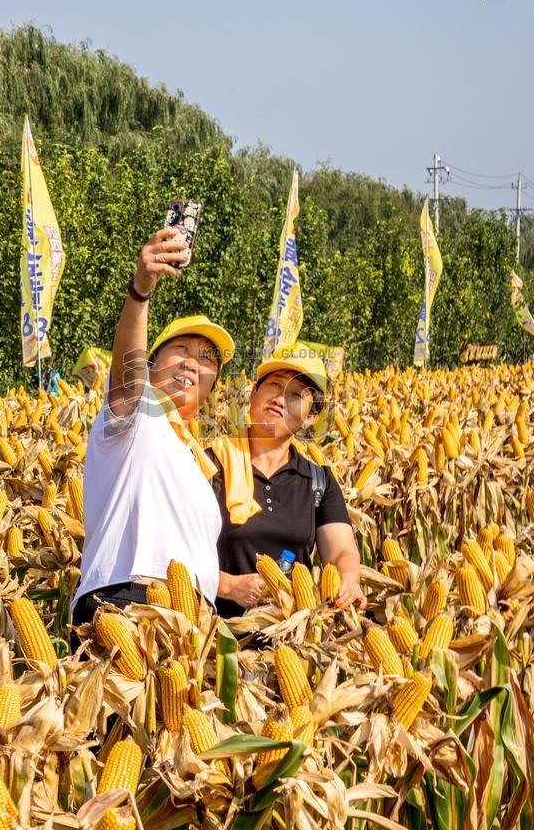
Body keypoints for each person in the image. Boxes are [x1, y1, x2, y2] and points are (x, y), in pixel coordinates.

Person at [71, 225, 234, 626]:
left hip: (193, 621)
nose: (193, 362)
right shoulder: (138, 410)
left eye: (206, 358)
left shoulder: (198, 459)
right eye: (181, 349)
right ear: (151, 362)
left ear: (213, 382)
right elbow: (126, 375)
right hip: (125, 600)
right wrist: (140, 292)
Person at [207, 343, 366, 618]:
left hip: (291, 639)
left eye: (295, 395)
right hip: (215, 640)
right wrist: (227, 585)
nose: (280, 400)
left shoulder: (319, 481)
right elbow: (172, 551)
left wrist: (348, 578)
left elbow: (340, 550)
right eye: (274, 386)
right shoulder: (210, 465)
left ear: (311, 416)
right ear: (254, 393)